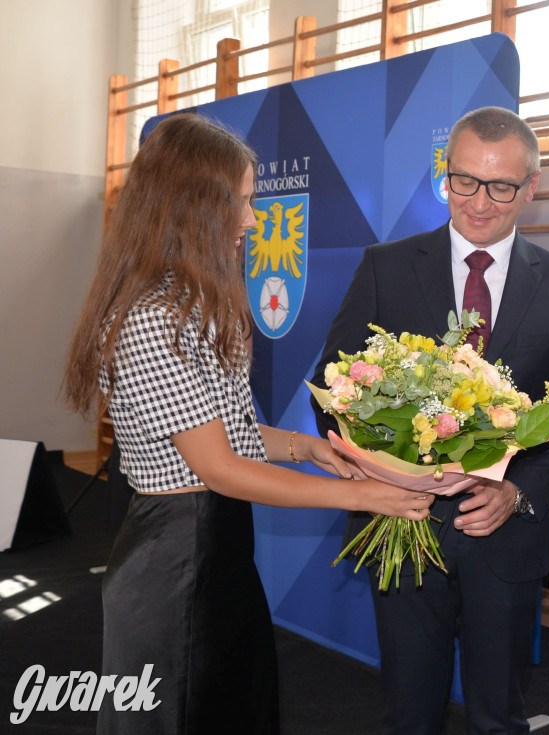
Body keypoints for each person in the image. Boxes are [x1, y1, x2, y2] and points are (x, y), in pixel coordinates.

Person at [61, 113, 433, 735]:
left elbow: (224, 433)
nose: (252, 220)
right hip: (176, 554)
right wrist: (365, 494)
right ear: (193, 206)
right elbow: (220, 468)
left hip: (214, 546)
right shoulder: (154, 318)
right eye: (242, 202)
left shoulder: (195, 303)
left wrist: (307, 447)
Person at [311, 105, 549, 734]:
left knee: (499, 714)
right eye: (463, 180)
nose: (478, 202)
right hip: (402, 527)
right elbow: (333, 386)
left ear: (532, 188)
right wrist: (376, 469)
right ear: (446, 174)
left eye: (500, 186)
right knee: (410, 711)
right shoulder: (386, 266)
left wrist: (517, 491)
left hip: (508, 538)